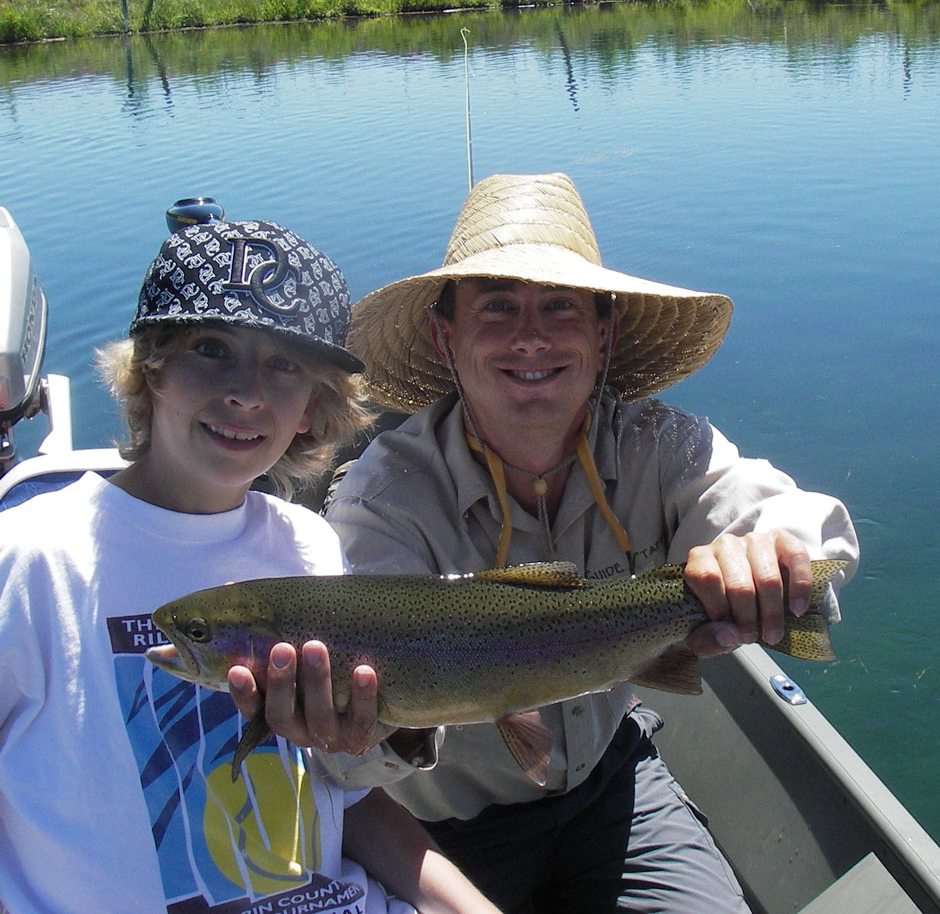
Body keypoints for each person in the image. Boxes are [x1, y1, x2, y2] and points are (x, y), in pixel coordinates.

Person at [228, 174, 860, 914]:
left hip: (614, 786)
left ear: (604, 333)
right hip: (443, 832)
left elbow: (780, 509)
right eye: (497, 307)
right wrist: (361, 732)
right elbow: (357, 763)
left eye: (559, 305)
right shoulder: (382, 502)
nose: (530, 336)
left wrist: (776, 557)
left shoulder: (660, 445)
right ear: (446, 338)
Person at [0, 219, 504, 914]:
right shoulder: (28, 560)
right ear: (150, 366)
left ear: (313, 408)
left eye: (285, 366)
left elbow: (347, 799)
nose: (245, 392)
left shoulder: (306, 545)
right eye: (210, 349)